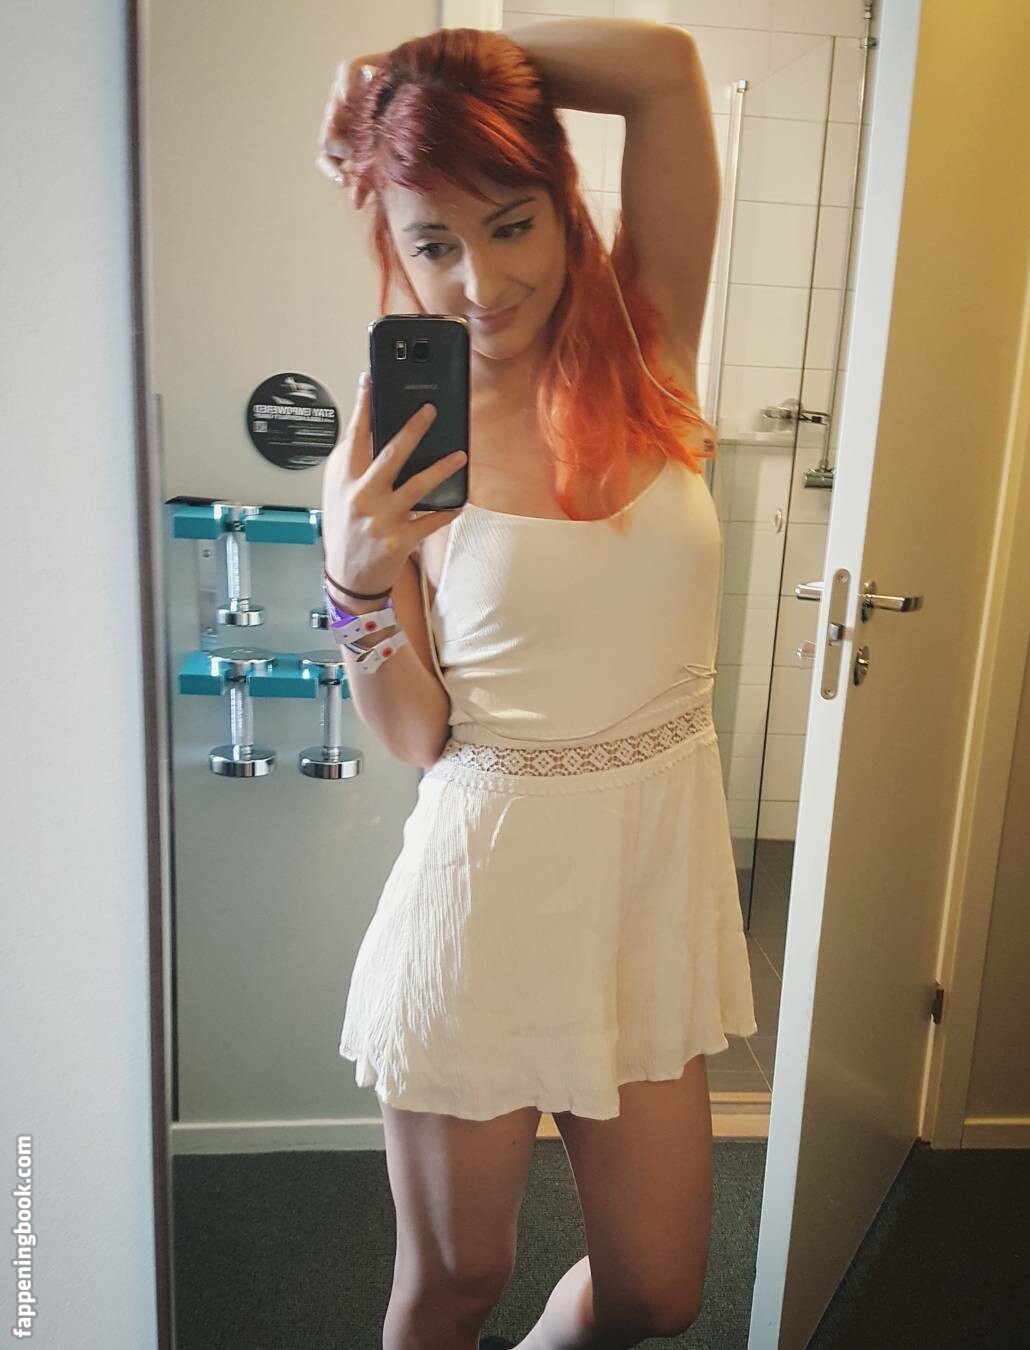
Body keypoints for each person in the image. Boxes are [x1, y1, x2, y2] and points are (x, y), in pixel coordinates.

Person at [316, 21, 757, 1350]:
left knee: (657, 1294)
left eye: (510, 225)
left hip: (646, 893)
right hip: (484, 899)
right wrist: (354, 587)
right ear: (393, 244)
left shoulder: (650, 338)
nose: (482, 281)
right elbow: (415, 736)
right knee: (455, 1280)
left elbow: (664, 68)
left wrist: (396, 76)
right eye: (434, 242)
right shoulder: (388, 438)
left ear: (563, 203)